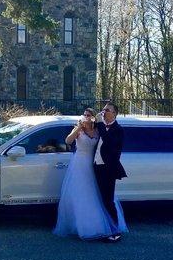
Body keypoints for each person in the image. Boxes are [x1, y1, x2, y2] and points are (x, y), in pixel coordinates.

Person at [53, 108, 127, 241]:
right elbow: (68, 141)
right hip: (80, 165)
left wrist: (99, 124)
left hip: (95, 167)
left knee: (100, 196)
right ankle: (83, 226)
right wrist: (78, 128)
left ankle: (109, 228)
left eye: (89, 115)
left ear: (93, 117)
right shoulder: (79, 130)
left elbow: (108, 144)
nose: (86, 117)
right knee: (82, 195)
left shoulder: (100, 129)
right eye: (85, 114)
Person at [94, 102, 127, 243]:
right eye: (103, 109)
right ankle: (104, 228)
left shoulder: (118, 130)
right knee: (99, 200)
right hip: (96, 167)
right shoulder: (99, 126)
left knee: (108, 200)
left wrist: (101, 125)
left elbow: (109, 144)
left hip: (108, 170)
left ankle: (115, 231)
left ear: (114, 113)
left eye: (107, 110)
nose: (103, 112)